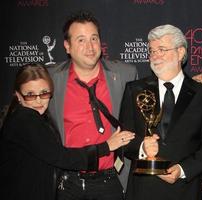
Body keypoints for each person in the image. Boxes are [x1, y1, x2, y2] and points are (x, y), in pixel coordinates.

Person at [0, 63, 134, 200]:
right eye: (30, 95)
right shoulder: (25, 119)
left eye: (44, 93)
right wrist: (106, 146)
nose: (38, 100)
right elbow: (61, 157)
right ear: (18, 95)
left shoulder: (34, 117)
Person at [119, 24, 202, 200]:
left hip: (185, 190)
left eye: (162, 49)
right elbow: (124, 140)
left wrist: (182, 170)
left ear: (181, 52)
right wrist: (142, 147)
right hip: (143, 192)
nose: (155, 56)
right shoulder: (134, 90)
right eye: (151, 51)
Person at [47, 10, 138, 200]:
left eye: (94, 38)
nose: (90, 46)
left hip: (112, 181)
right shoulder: (51, 79)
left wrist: (192, 83)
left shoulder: (124, 74)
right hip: (68, 182)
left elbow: (151, 99)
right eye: (81, 40)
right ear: (67, 46)